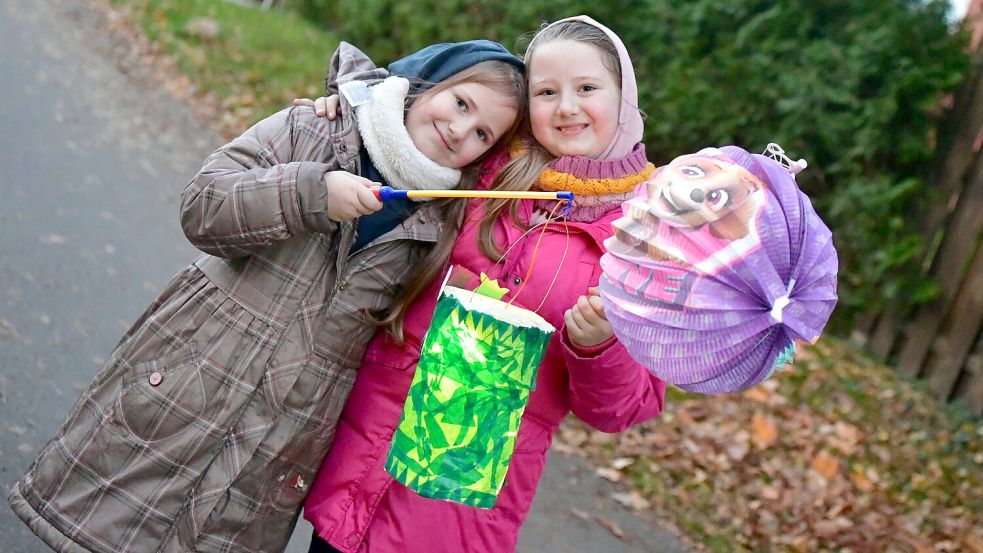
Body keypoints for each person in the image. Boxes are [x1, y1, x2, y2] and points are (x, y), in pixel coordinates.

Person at [8, 40, 525, 553]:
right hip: (188, 385)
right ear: (425, 82)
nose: (460, 129)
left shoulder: (441, 223)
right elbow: (202, 207)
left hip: (275, 446)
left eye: (482, 132)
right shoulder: (314, 131)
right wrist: (310, 195)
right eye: (460, 103)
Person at [301, 15, 667, 553]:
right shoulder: (486, 165)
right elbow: (402, 136)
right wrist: (340, 117)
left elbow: (622, 409)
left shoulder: (644, 239)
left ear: (625, 98)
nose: (566, 107)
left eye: (587, 88)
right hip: (364, 449)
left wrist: (598, 346)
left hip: (454, 508)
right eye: (547, 92)